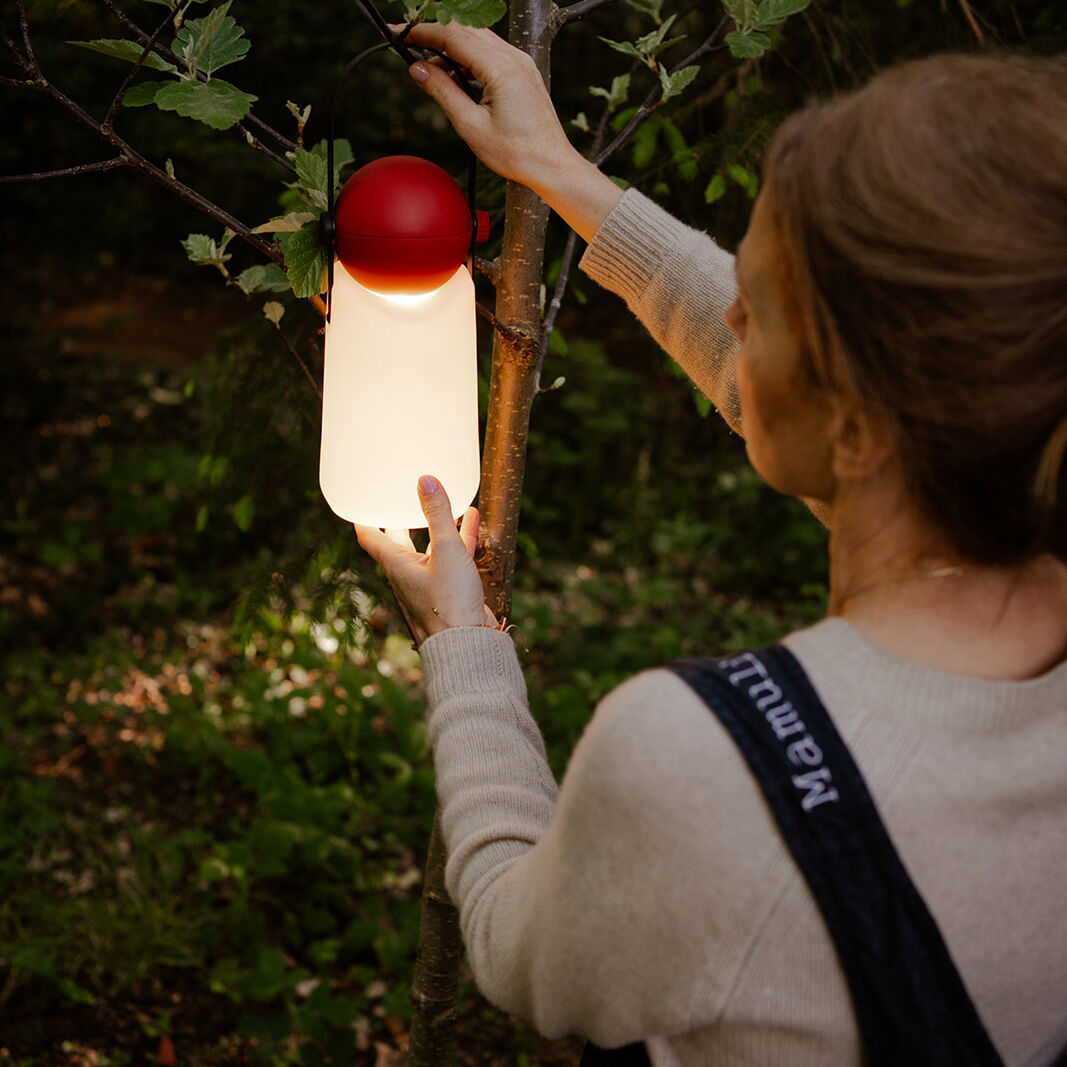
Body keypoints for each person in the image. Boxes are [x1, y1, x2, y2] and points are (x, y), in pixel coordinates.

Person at [356, 26, 1067, 1066]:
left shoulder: (707, 764)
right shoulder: (1005, 495)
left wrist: (464, 649)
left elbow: (517, 951)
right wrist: (555, 170)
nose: (727, 308)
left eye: (760, 305)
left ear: (857, 427)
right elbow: (766, 367)